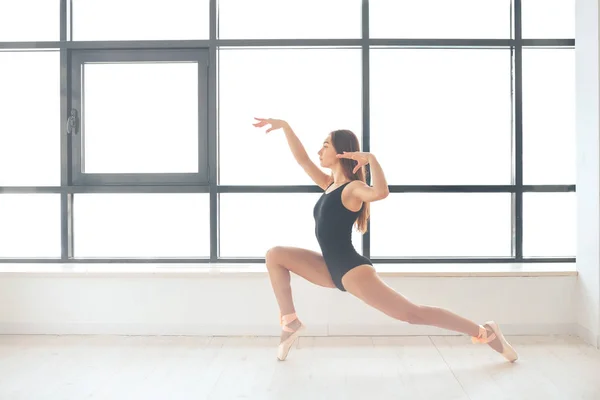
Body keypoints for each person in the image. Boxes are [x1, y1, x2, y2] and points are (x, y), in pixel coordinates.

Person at [252, 117, 518, 363]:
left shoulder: (352, 188)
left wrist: (372, 161)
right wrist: (285, 127)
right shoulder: (329, 185)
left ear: (342, 153)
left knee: (413, 314)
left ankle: (485, 332)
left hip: (351, 269)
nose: (319, 152)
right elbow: (302, 160)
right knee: (275, 255)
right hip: (330, 269)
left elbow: (380, 192)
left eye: (325, 145)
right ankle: (290, 323)